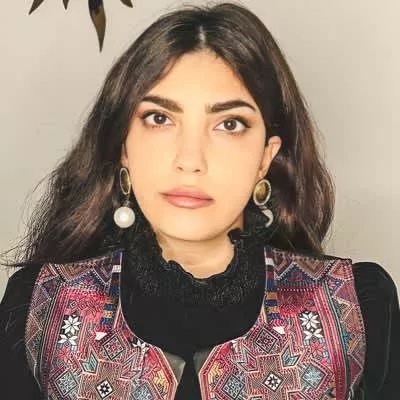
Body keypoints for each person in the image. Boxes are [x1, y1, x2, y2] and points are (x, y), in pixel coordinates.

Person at [0, 2, 398, 399]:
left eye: (229, 124)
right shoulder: (39, 308)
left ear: (266, 156)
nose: (190, 160)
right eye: (159, 119)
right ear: (123, 146)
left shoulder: (359, 311)